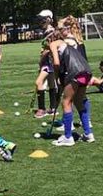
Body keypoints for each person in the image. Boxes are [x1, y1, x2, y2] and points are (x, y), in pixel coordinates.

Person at [50, 16, 93, 146]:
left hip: (74, 72)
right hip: (86, 71)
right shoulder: (75, 40)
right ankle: (88, 134)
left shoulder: (55, 43)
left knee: (66, 102)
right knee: (79, 102)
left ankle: (68, 137)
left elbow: (56, 63)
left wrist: (57, 77)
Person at [34, 10, 59, 118]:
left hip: (48, 62)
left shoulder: (50, 32)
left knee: (39, 82)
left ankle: (41, 109)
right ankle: (53, 108)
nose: (41, 21)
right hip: (49, 61)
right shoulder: (47, 31)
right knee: (51, 83)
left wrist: (41, 59)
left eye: (43, 19)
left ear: (49, 19)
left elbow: (50, 48)